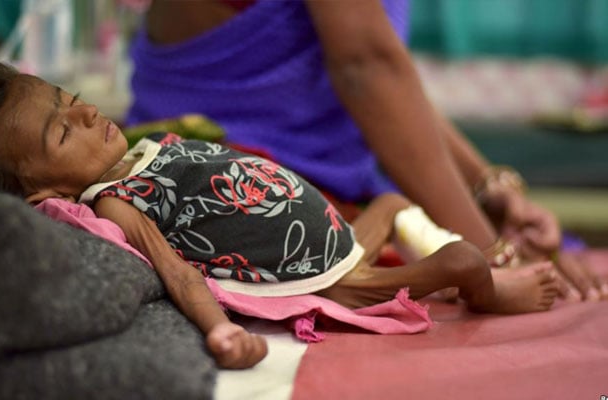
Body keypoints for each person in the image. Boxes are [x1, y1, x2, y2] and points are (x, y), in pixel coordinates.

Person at [0, 61, 561, 369]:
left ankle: (446, 255)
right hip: (321, 275)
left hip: (329, 232)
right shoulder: (115, 203)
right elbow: (180, 273)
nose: (84, 113)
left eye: (70, 99)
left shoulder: (141, 149)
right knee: (461, 260)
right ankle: (488, 288)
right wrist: (220, 332)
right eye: (61, 133)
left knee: (390, 200)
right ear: (39, 199)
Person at [124, 0, 608, 300]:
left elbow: (385, 73)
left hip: (316, 166)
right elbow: (367, 70)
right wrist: (492, 256)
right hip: (228, 165)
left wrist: (488, 188)